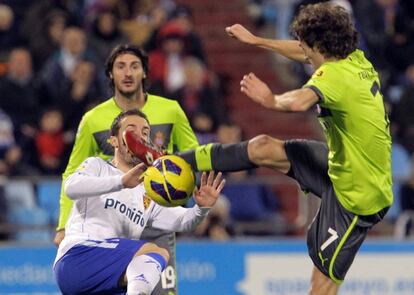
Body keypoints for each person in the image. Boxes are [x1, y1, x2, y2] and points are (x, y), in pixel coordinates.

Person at [129, 3, 393, 295]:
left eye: (306, 47)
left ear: (318, 46)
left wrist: (271, 100)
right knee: (262, 147)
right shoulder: (355, 59)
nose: (303, 52)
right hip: (342, 168)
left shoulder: (333, 77)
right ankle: (176, 161)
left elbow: (298, 101)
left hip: (358, 197)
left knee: (322, 283)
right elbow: (303, 50)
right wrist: (257, 41)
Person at [54, 44, 199, 295]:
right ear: (111, 74)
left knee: (163, 287)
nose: (128, 73)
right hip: (103, 209)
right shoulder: (93, 119)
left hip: (152, 203)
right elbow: (72, 175)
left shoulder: (170, 109)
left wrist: (199, 199)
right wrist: (62, 224)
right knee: (150, 259)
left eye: (134, 66)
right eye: (120, 67)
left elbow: (194, 157)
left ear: (144, 72)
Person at [54, 109, 225, 295]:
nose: (139, 137)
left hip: (111, 279)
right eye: (131, 130)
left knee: (152, 260)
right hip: (78, 257)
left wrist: (202, 208)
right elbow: (71, 187)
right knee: (157, 251)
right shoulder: (98, 166)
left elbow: (182, 220)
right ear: (114, 141)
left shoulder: (149, 192)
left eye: (145, 133)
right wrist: (121, 182)